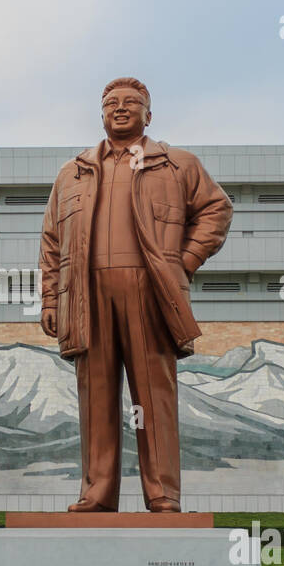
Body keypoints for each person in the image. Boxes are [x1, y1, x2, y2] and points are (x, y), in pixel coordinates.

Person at [38, 77, 232, 512]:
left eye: (131, 102)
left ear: (149, 113)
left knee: (154, 397)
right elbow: (52, 242)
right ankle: (97, 493)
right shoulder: (74, 172)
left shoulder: (176, 164)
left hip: (151, 292)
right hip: (87, 295)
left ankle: (163, 494)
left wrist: (184, 260)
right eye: (111, 103)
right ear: (101, 113)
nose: (120, 108)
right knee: (96, 398)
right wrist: (51, 300)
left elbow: (217, 208)